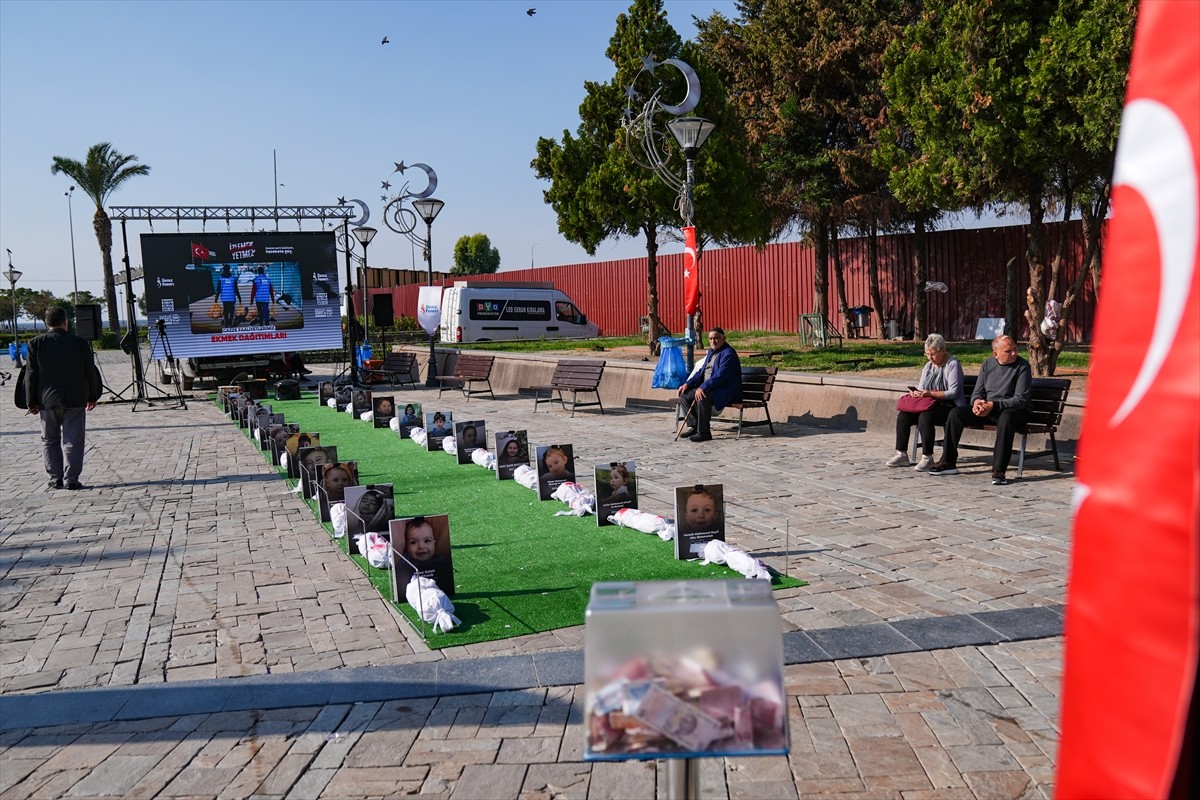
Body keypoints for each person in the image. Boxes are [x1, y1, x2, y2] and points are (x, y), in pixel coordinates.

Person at [930, 335, 1032, 485]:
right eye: (1008, 351)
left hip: (1015, 410)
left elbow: (1020, 400)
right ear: (995, 354)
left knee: (1006, 418)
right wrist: (977, 403)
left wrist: (993, 405)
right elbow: (977, 392)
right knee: (956, 414)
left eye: (1015, 349)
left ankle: (998, 470)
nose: (1014, 353)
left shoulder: (1022, 366)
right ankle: (948, 462)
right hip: (990, 408)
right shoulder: (987, 364)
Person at [24, 306, 101, 490]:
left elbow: (31, 375)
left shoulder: (36, 343)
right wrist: (92, 395)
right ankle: (71, 479)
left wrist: (31, 401)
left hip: (47, 400)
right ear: (66, 322)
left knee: (49, 439)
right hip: (75, 399)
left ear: (46, 323)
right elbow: (89, 372)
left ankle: (55, 478)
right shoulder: (80, 343)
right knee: (73, 439)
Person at [888, 333, 967, 471]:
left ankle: (927, 457)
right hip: (930, 402)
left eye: (933, 354)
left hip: (950, 404)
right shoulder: (928, 366)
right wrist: (917, 392)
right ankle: (902, 453)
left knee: (926, 416)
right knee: (904, 415)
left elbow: (953, 392)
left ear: (943, 350)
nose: (930, 357)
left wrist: (930, 393)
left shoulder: (953, 364)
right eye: (927, 354)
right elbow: (922, 387)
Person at [677, 327, 742, 443]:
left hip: (724, 390)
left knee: (703, 395)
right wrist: (687, 384)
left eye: (716, 338)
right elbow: (701, 372)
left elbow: (721, 376)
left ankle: (704, 432)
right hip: (710, 387)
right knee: (685, 394)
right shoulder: (711, 352)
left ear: (723, 339)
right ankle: (694, 426)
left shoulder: (728, 354)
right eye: (711, 339)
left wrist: (703, 387)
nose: (713, 341)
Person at [401, 516, 454, 595]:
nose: (421, 546)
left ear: (434, 543)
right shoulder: (405, 562)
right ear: (406, 546)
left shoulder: (441, 561)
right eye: (413, 542)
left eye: (427, 541)